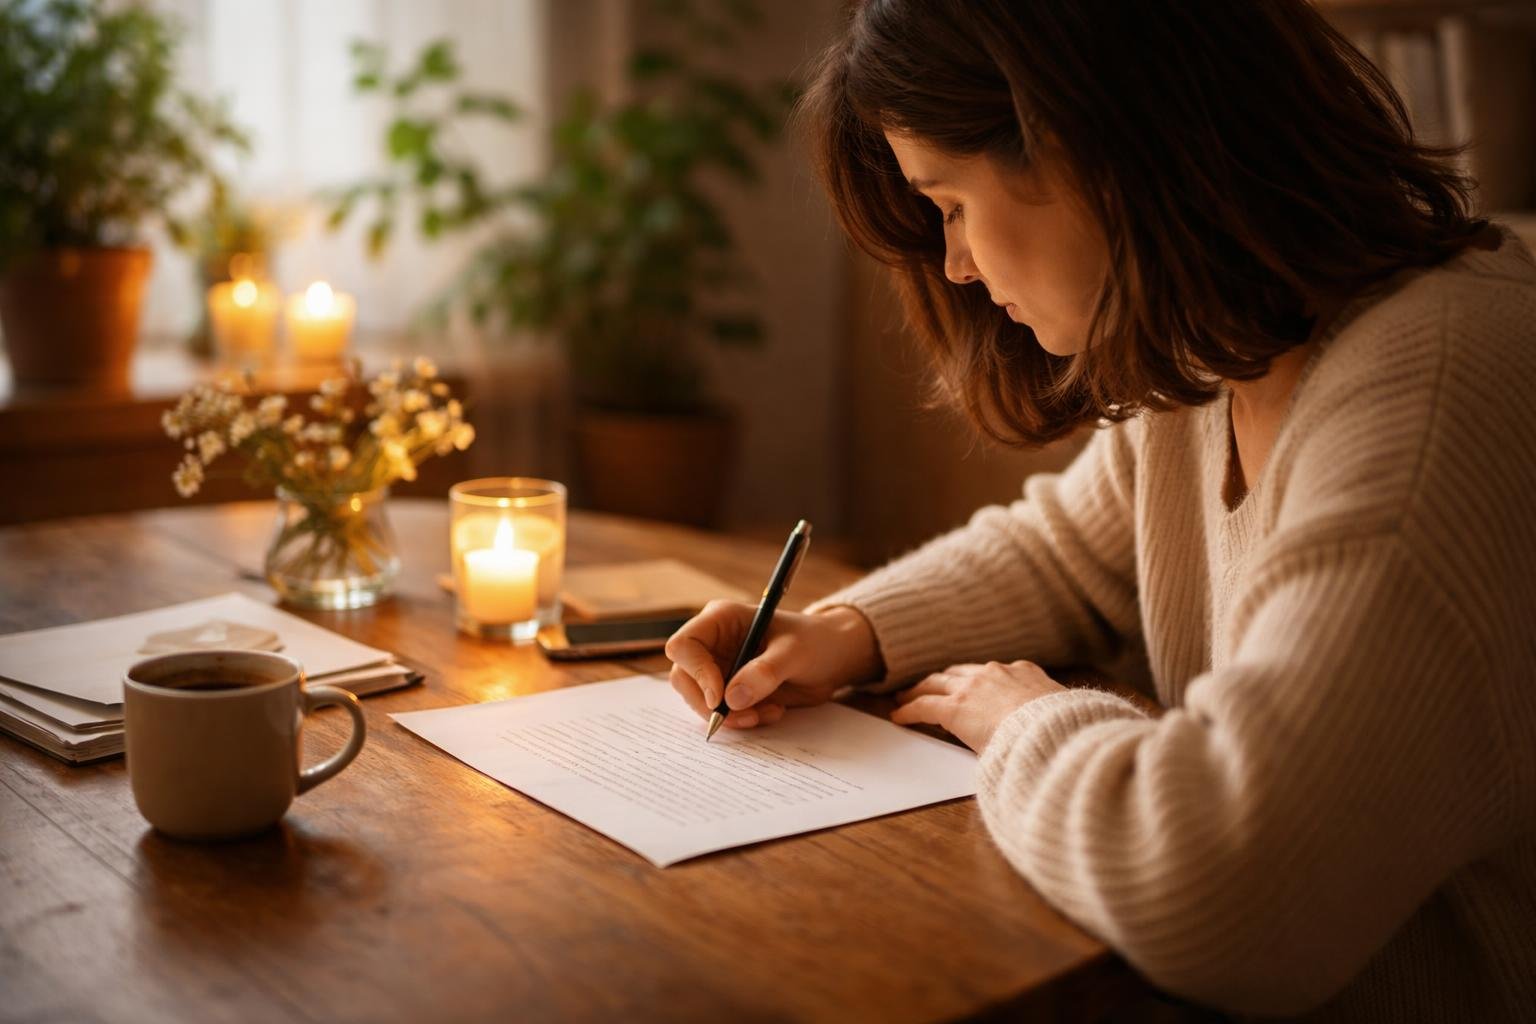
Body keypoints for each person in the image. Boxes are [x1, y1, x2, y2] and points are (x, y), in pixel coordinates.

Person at [663, 1, 1536, 1019]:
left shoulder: (1433, 397)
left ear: (1082, 145)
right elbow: (1070, 549)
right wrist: (845, 632)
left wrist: (1026, 718)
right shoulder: (1224, 345)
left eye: (948, 202)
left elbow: (1227, 891)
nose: (953, 265)